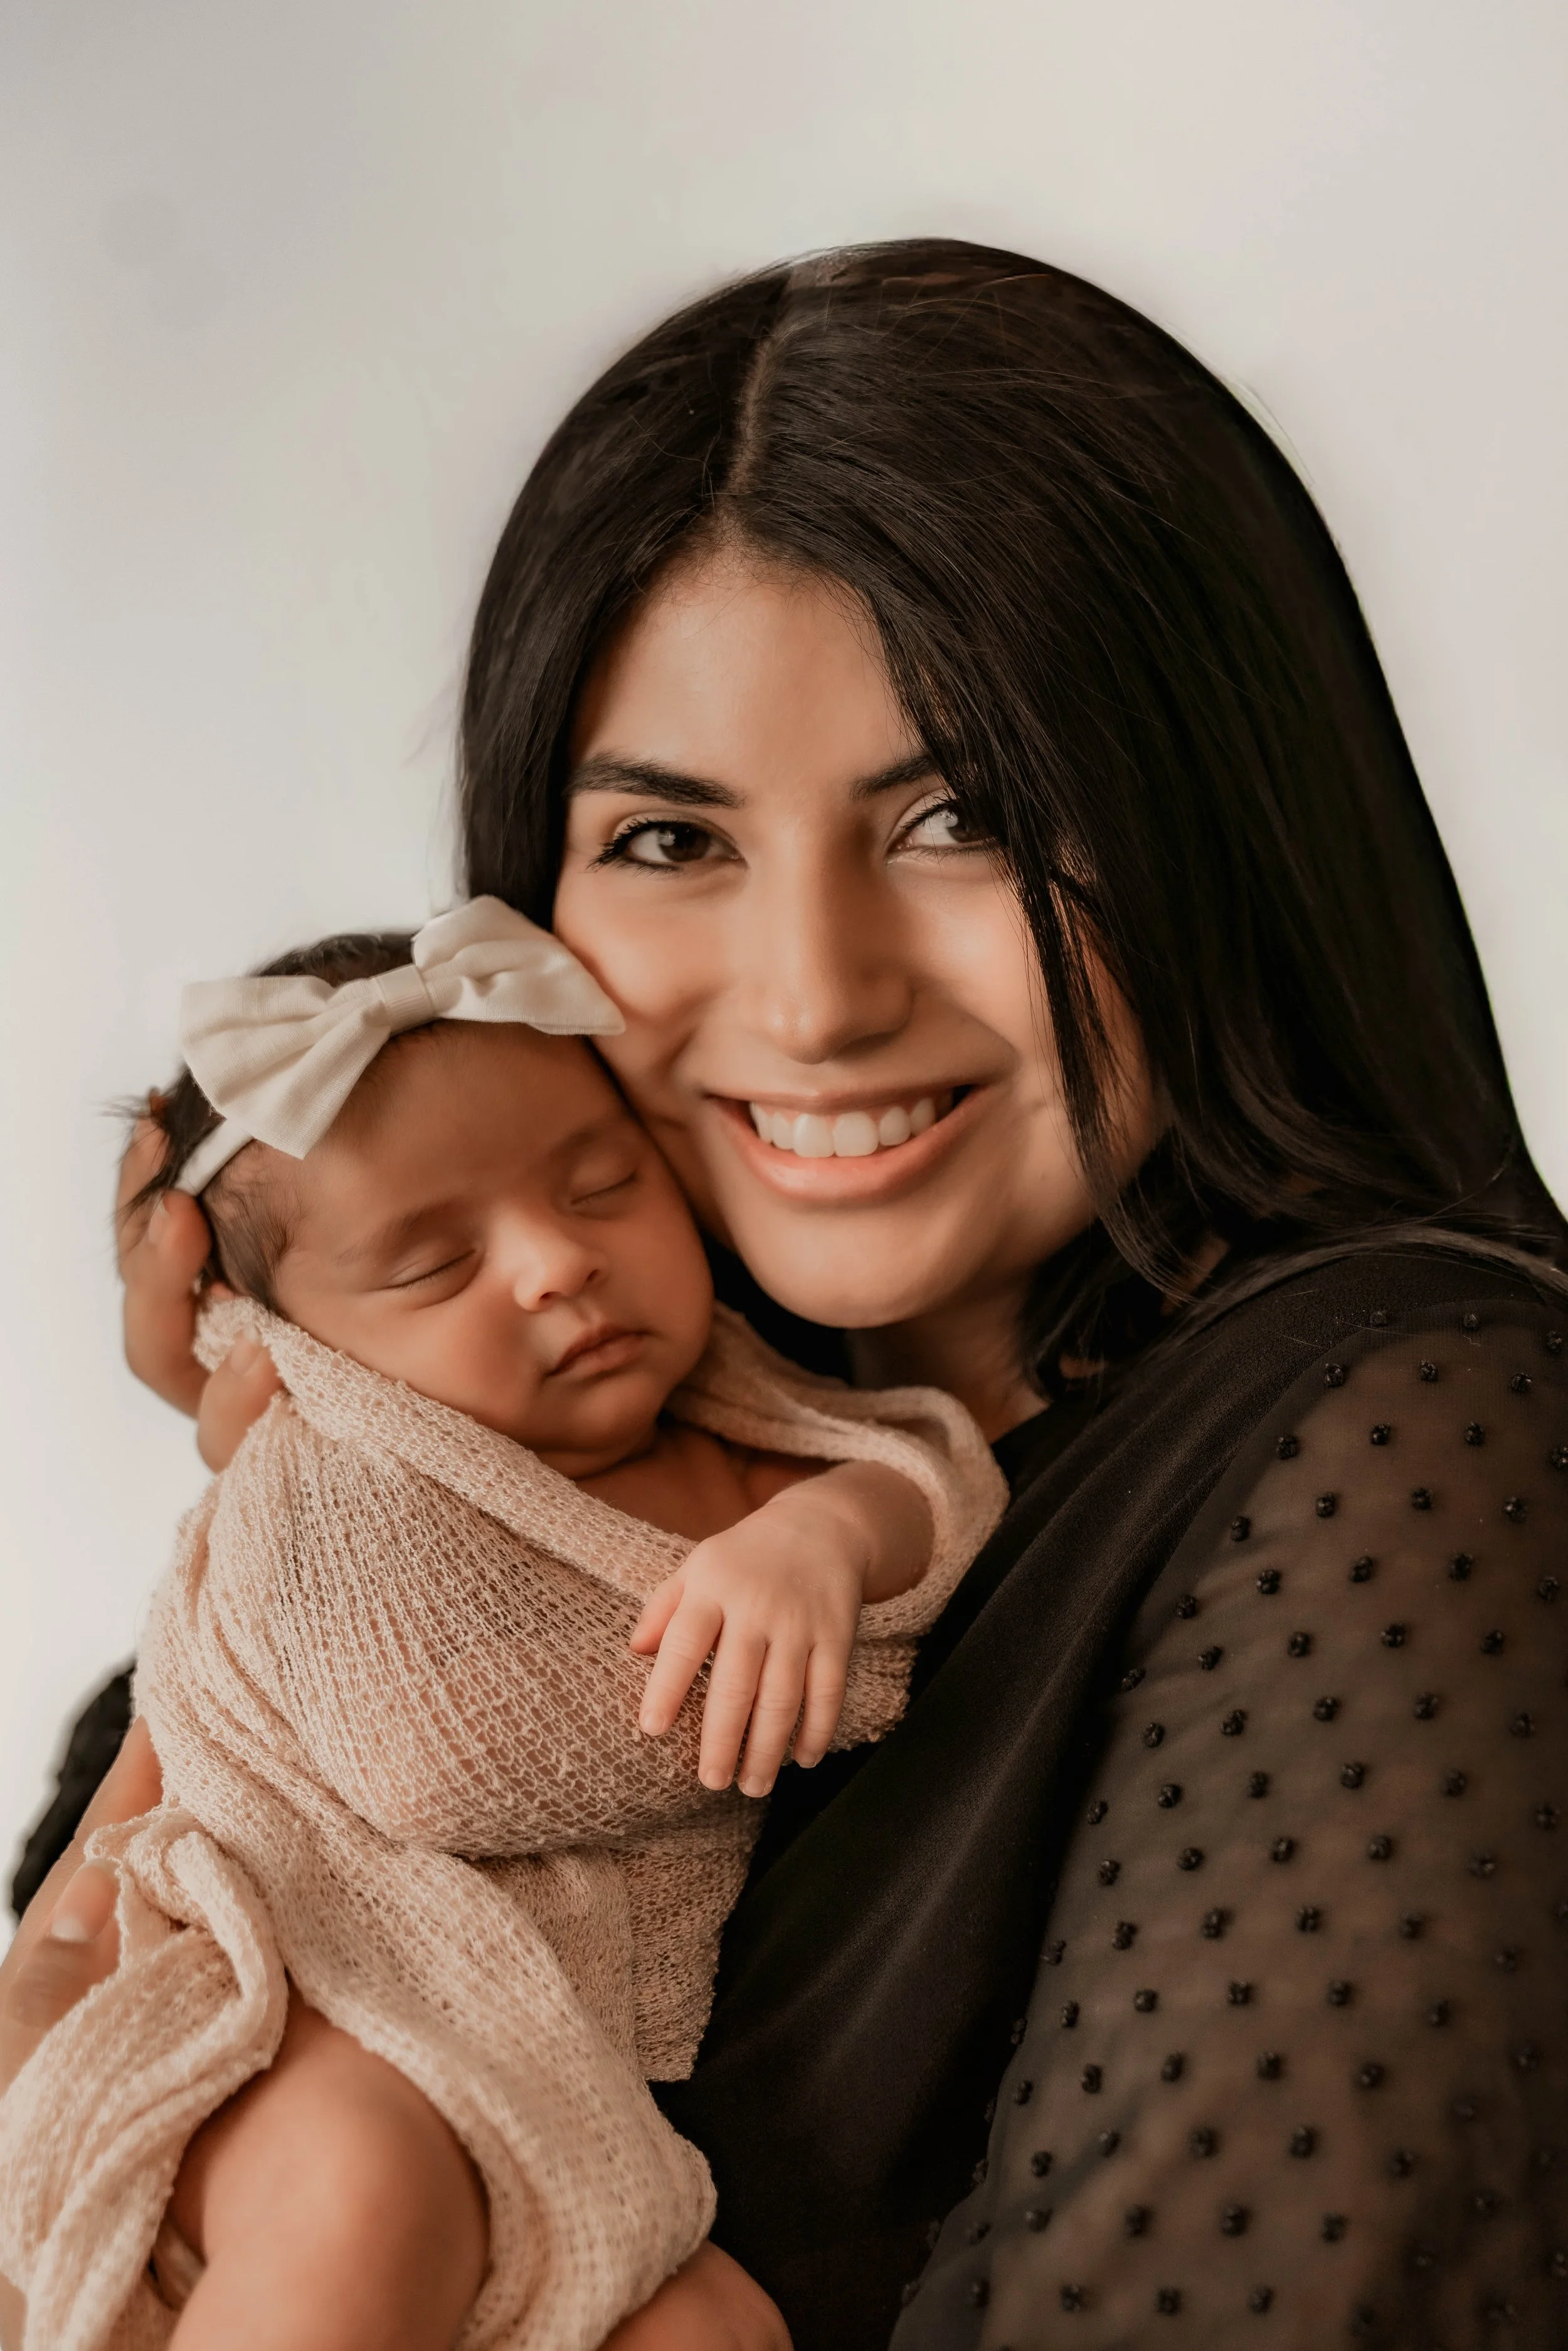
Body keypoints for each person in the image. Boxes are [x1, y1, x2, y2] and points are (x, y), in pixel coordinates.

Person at [5, 238, 1567, 2351]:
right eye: (668, 839)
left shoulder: (1425, 1440)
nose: (816, 999)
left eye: (962, 816)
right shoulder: (416, 1478)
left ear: (1222, 824)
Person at [1, 902, 999, 2350]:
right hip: (287, 2006)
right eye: (427, 1265)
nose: (553, 1263)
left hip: (552, 2086)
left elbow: (933, 1482)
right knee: (361, 2187)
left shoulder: (739, 1440)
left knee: (717, 2336)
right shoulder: (322, 1465)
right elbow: (429, 1753)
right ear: (285, 1345)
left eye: (601, 1185)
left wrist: (825, 1539)